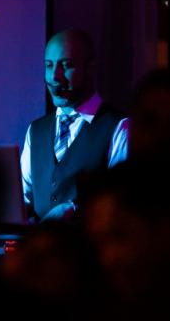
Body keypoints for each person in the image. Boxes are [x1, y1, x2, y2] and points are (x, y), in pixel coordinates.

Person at [20, 29, 129, 222]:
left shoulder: (118, 127)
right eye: (49, 65)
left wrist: (75, 208)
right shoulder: (36, 131)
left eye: (66, 65)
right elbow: (24, 199)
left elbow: (122, 198)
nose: (55, 76)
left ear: (90, 68)